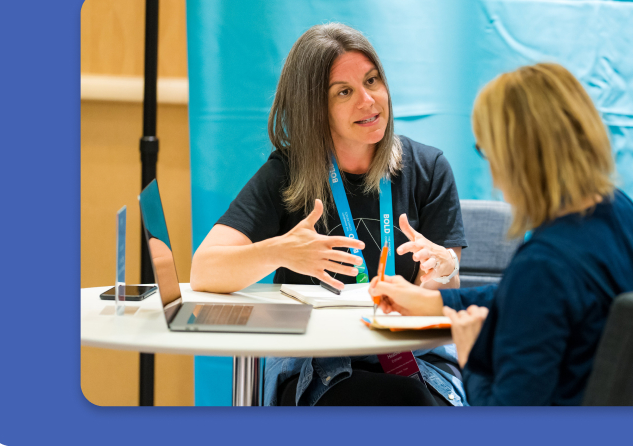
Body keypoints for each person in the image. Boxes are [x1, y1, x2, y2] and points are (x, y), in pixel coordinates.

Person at [189, 23, 468, 406]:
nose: (369, 101)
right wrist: (281, 251)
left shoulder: (428, 168)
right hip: (321, 366)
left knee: (406, 398)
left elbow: (435, 299)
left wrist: (443, 271)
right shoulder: (287, 173)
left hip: (417, 363)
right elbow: (204, 269)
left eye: (372, 81)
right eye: (345, 92)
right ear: (315, 109)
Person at [369, 63, 633, 405]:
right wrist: (436, 302)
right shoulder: (622, 214)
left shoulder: (544, 265)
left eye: (487, 152)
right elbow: (531, 305)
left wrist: (470, 362)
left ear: (514, 157)